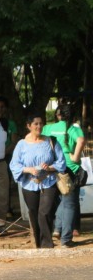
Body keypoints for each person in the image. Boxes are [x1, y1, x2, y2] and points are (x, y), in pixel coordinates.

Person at [10, 114, 66, 248]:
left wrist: (50, 167)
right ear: (28, 126)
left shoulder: (51, 141)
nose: (39, 126)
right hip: (30, 183)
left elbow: (61, 162)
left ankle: (47, 244)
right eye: (36, 124)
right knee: (34, 213)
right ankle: (38, 243)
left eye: (41, 123)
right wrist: (28, 169)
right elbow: (14, 164)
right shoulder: (21, 144)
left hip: (49, 181)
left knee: (45, 212)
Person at [43, 104, 86, 246]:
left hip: (52, 169)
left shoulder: (49, 128)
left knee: (61, 200)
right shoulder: (74, 129)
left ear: (58, 115)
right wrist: (75, 157)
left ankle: (57, 229)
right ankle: (66, 239)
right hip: (70, 169)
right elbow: (81, 140)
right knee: (70, 204)